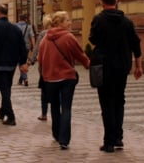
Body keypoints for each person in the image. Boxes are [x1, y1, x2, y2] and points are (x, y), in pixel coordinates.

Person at [88, 0, 144, 153]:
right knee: (119, 101)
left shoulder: (98, 20)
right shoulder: (127, 21)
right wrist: (138, 66)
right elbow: (136, 44)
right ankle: (119, 137)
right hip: (122, 67)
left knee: (106, 103)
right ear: (116, 1)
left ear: (101, 2)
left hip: (104, 67)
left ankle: (109, 141)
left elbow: (93, 39)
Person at [37, 11, 90, 150]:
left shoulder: (45, 39)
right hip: (67, 77)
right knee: (66, 107)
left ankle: (56, 134)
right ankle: (64, 140)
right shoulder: (68, 37)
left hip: (50, 79)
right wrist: (87, 64)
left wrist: (45, 72)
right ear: (59, 23)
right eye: (67, 20)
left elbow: (40, 59)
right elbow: (80, 54)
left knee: (54, 107)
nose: (70, 23)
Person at [0, 5, 29, 126]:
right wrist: (22, 61)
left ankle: (11, 116)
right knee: (6, 87)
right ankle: (2, 111)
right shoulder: (15, 29)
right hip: (12, 64)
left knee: (5, 90)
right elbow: (22, 47)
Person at [30, 14, 53, 121]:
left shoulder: (43, 34)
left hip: (44, 66)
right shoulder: (60, 32)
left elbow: (37, 48)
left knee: (44, 89)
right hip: (56, 65)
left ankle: (44, 113)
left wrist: (31, 60)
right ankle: (57, 110)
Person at [16, 13, 35, 86]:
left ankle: (25, 78)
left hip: (17, 47)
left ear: (19, 19)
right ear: (25, 19)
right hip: (26, 47)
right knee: (23, 63)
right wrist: (33, 47)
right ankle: (21, 80)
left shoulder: (15, 26)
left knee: (21, 63)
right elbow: (32, 37)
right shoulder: (29, 27)